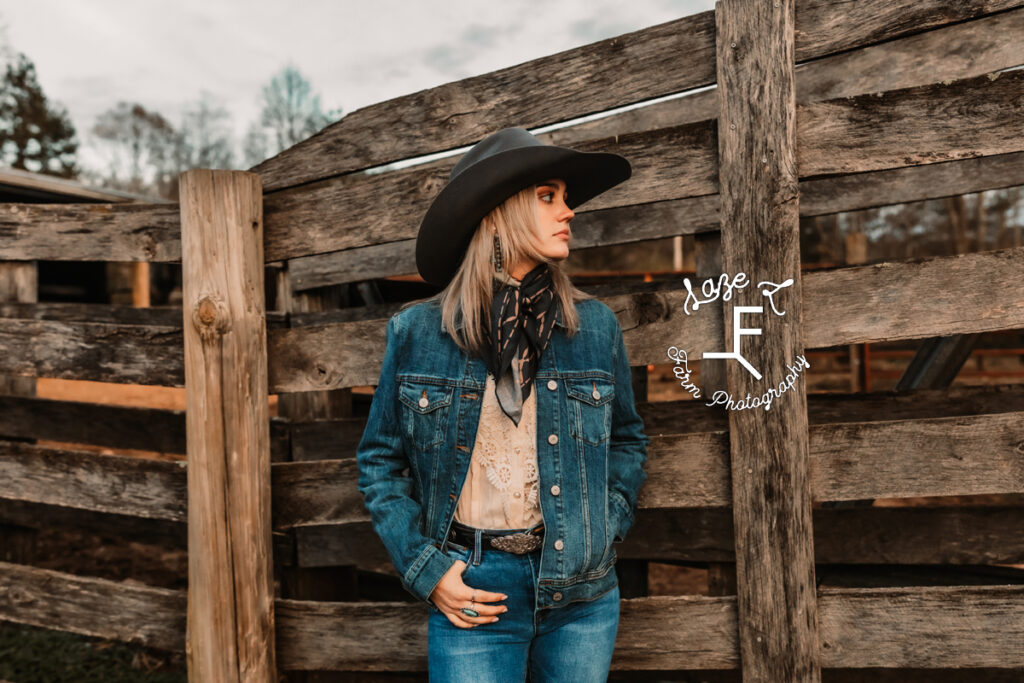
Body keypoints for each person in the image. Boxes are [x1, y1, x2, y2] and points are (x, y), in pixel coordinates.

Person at [355, 127, 650, 682]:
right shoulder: (418, 332)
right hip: (472, 589)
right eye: (548, 196)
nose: (568, 211)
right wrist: (427, 570)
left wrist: (603, 530)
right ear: (497, 212)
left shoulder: (594, 329)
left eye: (565, 197)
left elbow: (628, 442)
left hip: (582, 598)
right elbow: (379, 463)